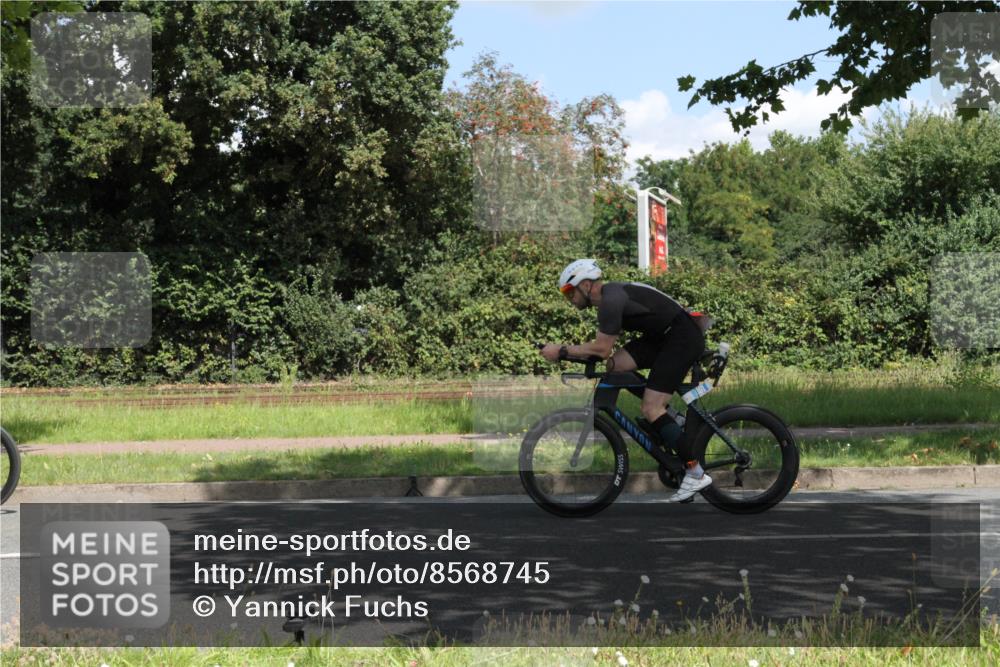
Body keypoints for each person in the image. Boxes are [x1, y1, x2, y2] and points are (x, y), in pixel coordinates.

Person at [539, 259, 710, 502]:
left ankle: (694, 472)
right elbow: (606, 357)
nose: (569, 298)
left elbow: (601, 349)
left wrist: (562, 351)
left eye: (569, 291)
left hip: (681, 338)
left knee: (651, 407)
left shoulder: (610, 301)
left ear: (586, 285)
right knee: (615, 367)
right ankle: (672, 419)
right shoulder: (608, 298)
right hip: (663, 337)